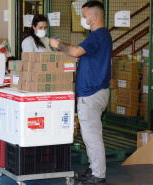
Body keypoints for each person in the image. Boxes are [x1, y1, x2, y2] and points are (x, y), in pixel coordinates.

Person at [49, 1, 112, 185]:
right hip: (95, 91)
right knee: (89, 134)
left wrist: (57, 43)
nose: (82, 19)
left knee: (92, 135)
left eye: (84, 16)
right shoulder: (102, 36)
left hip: (91, 94)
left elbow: (76, 51)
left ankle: (98, 174)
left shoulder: (97, 35)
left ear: (94, 16)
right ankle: (93, 169)